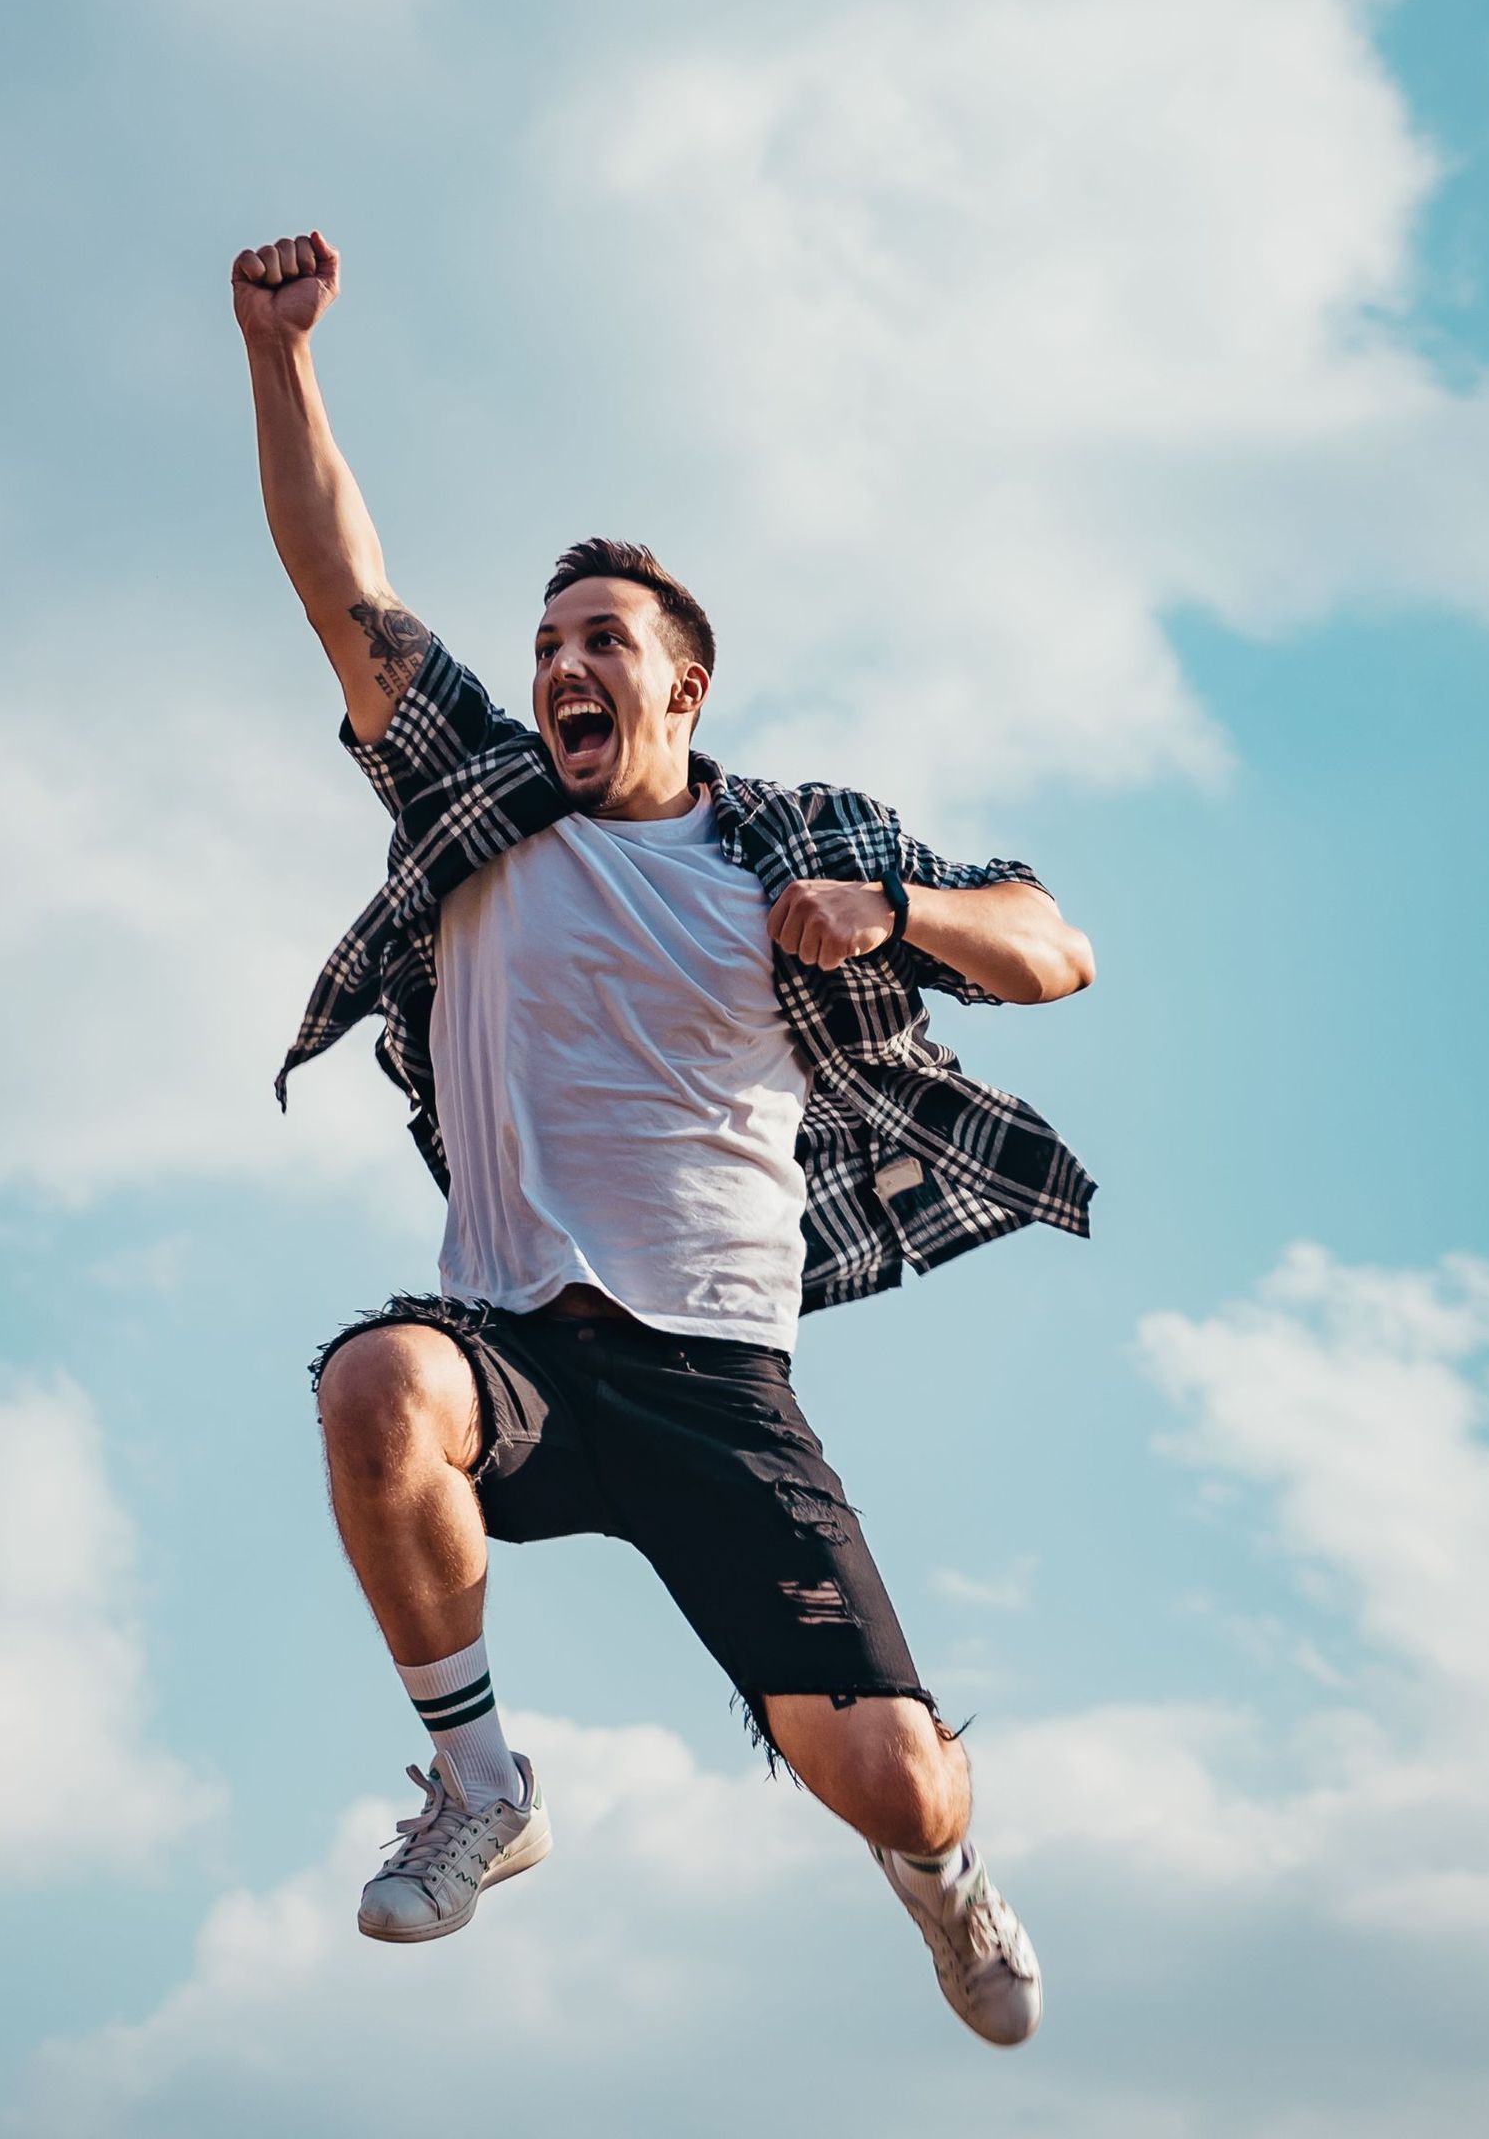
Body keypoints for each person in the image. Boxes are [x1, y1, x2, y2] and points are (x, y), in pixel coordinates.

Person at [235, 229, 1097, 2046]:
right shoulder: (478, 794)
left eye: (600, 641)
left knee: (901, 1781)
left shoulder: (787, 838)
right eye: (547, 640)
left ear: (682, 688)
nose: (562, 662)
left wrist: (895, 910)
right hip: (516, 1345)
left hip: (718, 1382)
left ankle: (941, 1877)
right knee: (377, 1387)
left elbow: (1053, 944)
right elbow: (341, 587)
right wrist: (283, 355)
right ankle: (482, 1788)